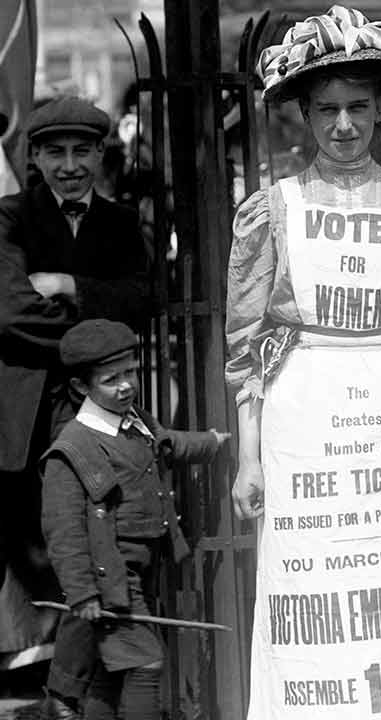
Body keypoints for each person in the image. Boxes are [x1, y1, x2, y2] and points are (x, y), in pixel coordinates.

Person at [224, 6, 381, 719]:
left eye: (358, 108)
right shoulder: (272, 209)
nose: (343, 126)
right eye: (327, 110)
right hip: (302, 423)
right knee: (308, 591)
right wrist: (248, 457)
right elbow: (245, 345)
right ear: (304, 115)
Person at [0, 95, 153, 720]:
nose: (70, 166)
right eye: (55, 152)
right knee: (34, 543)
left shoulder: (119, 223)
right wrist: (100, 336)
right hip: (24, 415)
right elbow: (10, 314)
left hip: (97, 415)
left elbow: (141, 301)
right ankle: (43, 682)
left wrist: (68, 287)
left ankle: (71, 693)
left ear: (99, 154)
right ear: (34, 157)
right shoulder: (9, 218)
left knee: (98, 543)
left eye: (82, 151)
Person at [40, 320, 226, 720]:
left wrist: (212, 442)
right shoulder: (72, 448)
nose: (126, 385)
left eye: (130, 372)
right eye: (111, 380)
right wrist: (83, 594)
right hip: (111, 576)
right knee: (146, 660)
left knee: (111, 674)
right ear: (81, 387)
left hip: (145, 567)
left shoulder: (135, 421)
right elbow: (63, 533)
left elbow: (168, 443)